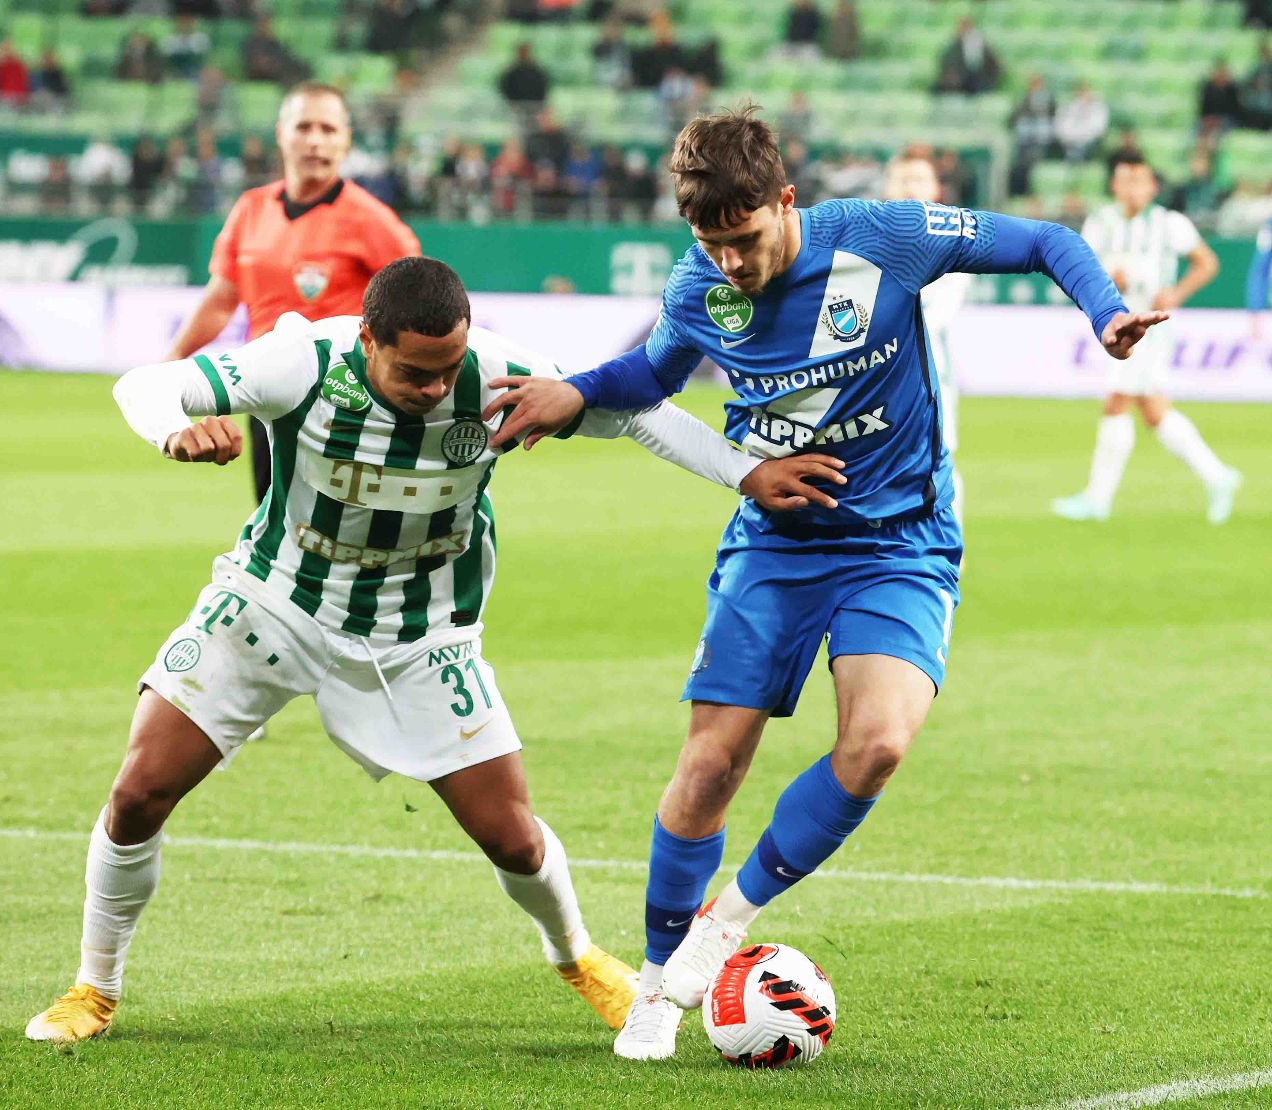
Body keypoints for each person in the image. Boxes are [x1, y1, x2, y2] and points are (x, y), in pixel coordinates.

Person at [482, 108, 1167, 1061]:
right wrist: (583, 389)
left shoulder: (884, 237)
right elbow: (653, 376)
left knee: (878, 743)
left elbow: (1044, 240)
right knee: (709, 768)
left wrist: (1104, 313)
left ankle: (722, 925)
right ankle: (656, 985)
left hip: (902, 542)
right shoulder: (699, 288)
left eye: (746, 237)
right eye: (711, 244)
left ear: (786, 201)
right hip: (776, 545)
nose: (732, 263)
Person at [23, 256, 841, 1045]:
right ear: (368, 340)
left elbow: (634, 411)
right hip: (273, 605)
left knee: (512, 838)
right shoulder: (304, 362)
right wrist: (174, 427)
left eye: (448, 369)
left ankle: (579, 957)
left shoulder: (499, 376)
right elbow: (145, 384)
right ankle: (95, 985)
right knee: (139, 793)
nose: (437, 389)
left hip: (419, 635)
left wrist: (744, 473)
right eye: (416, 373)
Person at [166, 82, 419, 511]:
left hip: (341, 398)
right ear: (281, 134)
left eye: (328, 129)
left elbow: (417, 303)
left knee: (341, 527)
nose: (315, 140)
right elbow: (222, 300)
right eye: (304, 127)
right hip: (265, 392)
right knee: (275, 519)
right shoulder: (251, 209)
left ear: (346, 140)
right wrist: (171, 364)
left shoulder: (372, 221)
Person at [1053, 156, 1240, 524]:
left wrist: (1176, 293)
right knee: (1154, 411)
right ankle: (1218, 476)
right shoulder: (1100, 223)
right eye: (1126, 180)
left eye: (1139, 180)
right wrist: (1108, 280)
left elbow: (1207, 262)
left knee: (1117, 402)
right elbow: (1082, 269)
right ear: (1114, 186)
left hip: (1150, 327)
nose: (1133, 188)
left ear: (1153, 186)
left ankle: (1097, 500)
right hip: (1116, 323)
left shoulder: (1169, 223)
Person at [884, 149, 971, 523]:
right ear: (887, 188)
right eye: (902, 179)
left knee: (938, 461)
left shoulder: (955, 244)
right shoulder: (863, 242)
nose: (909, 188)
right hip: (872, 379)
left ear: (936, 188)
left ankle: (950, 545)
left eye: (918, 179)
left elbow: (935, 317)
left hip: (929, 375)